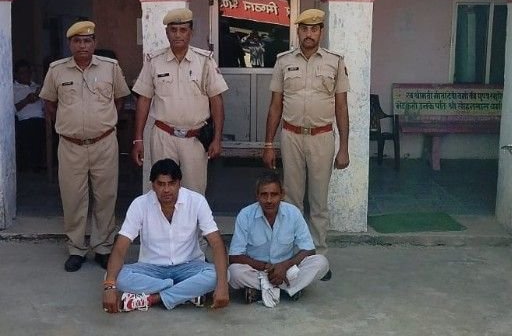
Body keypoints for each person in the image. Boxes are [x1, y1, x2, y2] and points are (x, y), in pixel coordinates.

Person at [262, 9, 350, 279]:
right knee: (291, 201)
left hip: (322, 138)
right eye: (304, 29)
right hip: (291, 137)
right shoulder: (284, 61)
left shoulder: (335, 62)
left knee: (319, 202)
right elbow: (275, 105)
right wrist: (268, 143)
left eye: (314, 29)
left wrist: (344, 147)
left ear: (321, 32)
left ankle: (318, 257)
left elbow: (341, 106)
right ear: (298, 31)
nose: (309, 34)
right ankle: (293, 256)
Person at [39, 20, 130, 272]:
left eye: (87, 41)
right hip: (71, 146)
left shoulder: (110, 68)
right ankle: (76, 249)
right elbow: (50, 104)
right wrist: (69, 125)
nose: (82, 45)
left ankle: (103, 248)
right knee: (73, 198)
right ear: (70, 44)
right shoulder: (57, 70)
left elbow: (120, 99)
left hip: (104, 143)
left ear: (94, 43)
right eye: (77, 41)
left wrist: (102, 123)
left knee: (106, 197)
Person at [102, 158, 229, 313]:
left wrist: (223, 286)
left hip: (188, 265)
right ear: (153, 185)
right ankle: (187, 293)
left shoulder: (197, 201)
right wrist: (109, 286)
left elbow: (216, 243)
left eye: (171, 183)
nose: (167, 189)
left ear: (179, 183)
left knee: (221, 275)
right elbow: (120, 247)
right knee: (116, 276)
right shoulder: (140, 204)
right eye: (161, 184)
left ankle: (152, 298)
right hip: (151, 268)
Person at [131, 8, 228, 195]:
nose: (177, 35)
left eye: (183, 30)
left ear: (191, 32)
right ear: (167, 32)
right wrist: (138, 139)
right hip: (163, 136)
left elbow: (217, 101)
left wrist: (217, 138)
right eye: (173, 30)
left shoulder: (204, 61)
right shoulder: (154, 61)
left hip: (194, 138)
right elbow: (144, 100)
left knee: (194, 193)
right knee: (163, 190)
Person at [228, 171, 328, 306]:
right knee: (233, 272)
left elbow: (309, 250)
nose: (269, 200)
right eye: (264, 194)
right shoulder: (245, 215)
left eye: (274, 194)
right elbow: (234, 256)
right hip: (257, 270)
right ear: (257, 196)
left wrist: (284, 266)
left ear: (282, 195)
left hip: (287, 270)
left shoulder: (293, 213)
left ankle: (261, 290)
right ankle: (289, 289)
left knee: (321, 262)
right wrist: (266, 267)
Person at [13, 59, 46, 171]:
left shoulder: (36, 87)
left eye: (28, 72)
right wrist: (26, 101)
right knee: (32, 128)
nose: (26, 75)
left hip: (43, 120)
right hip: (24, 121)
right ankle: (34, 165)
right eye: (22, 73)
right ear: (16, 75)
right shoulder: (11, 89)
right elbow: (9, 111)